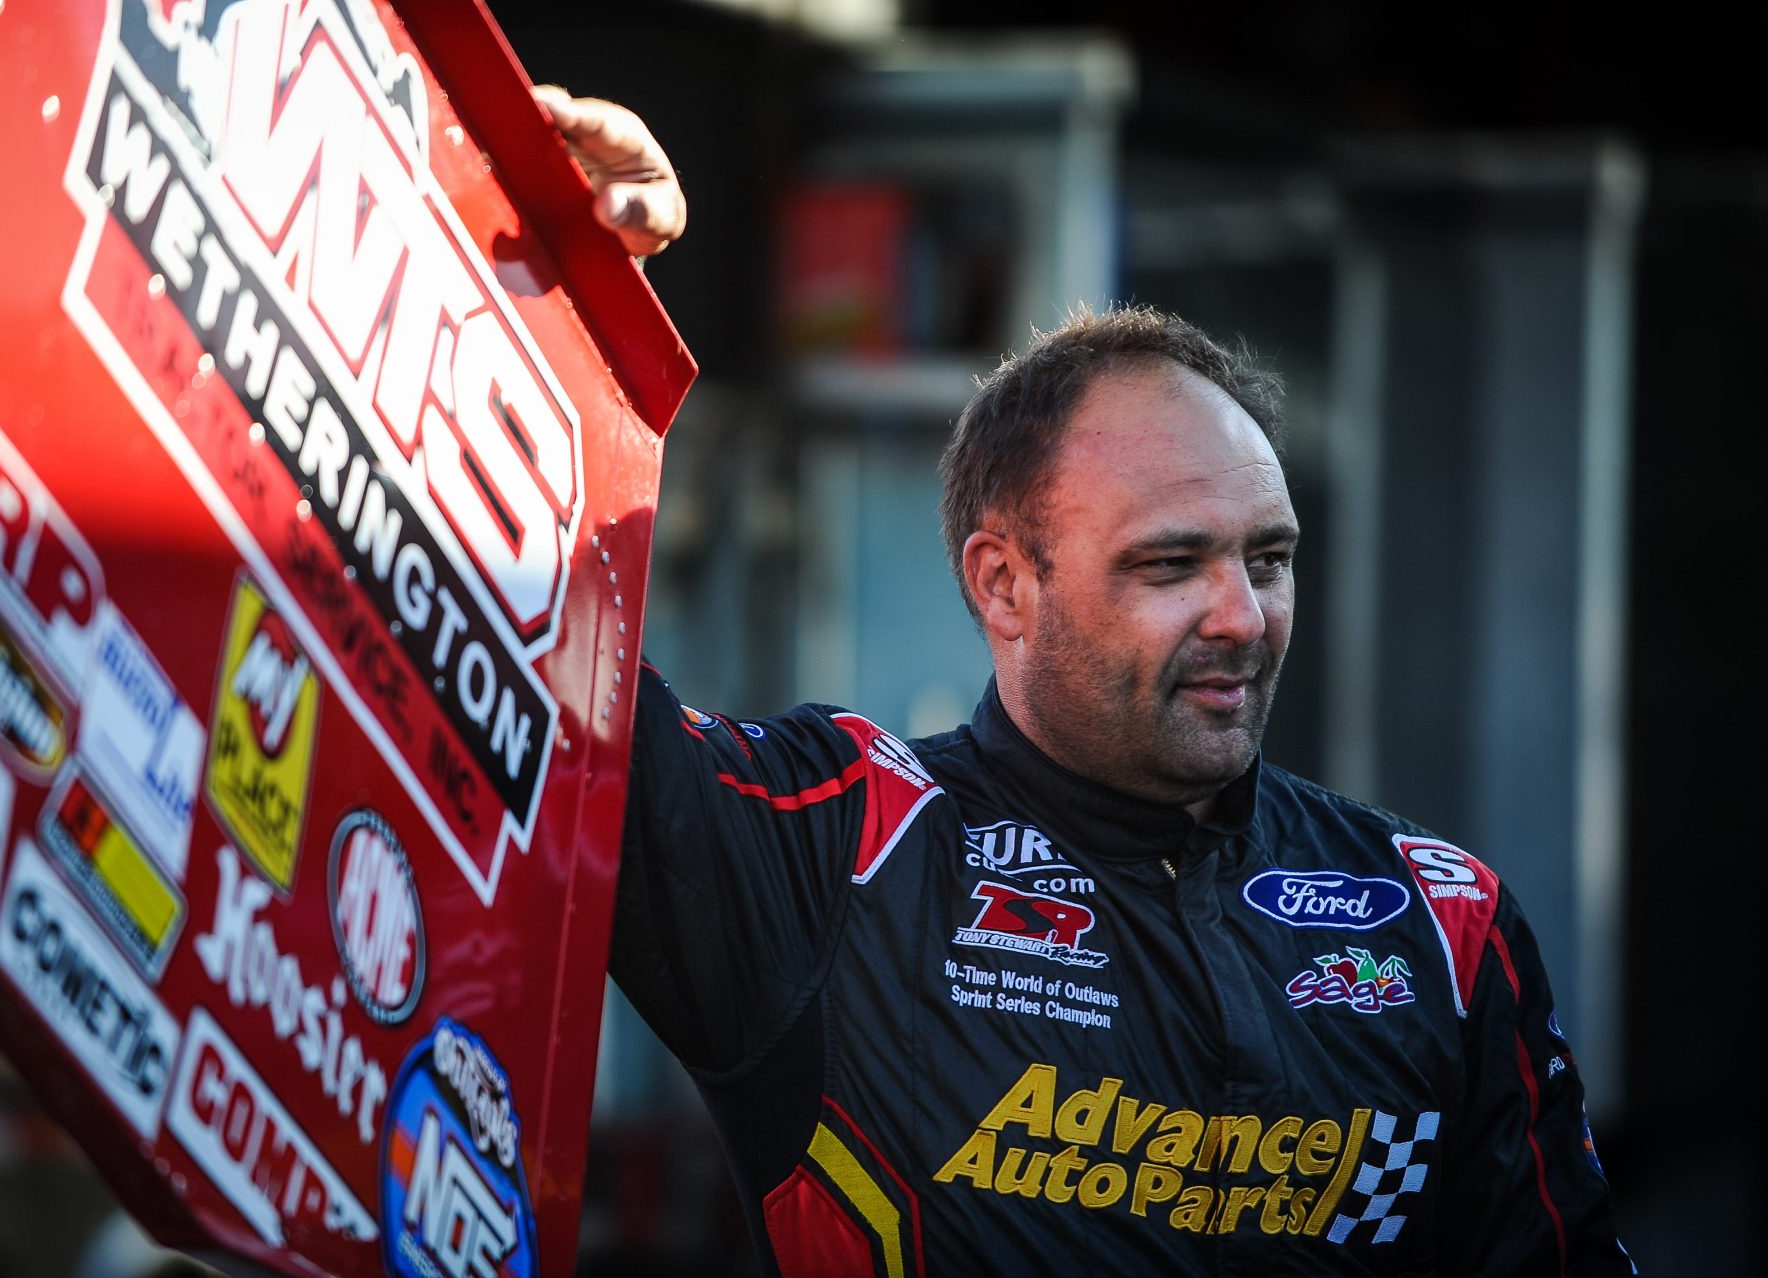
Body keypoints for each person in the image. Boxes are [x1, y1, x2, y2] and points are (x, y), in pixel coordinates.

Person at [536, 86, 1634, 1276]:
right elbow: (529, 655)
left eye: (1269, 558)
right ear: (1004, 586)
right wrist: (548, 296)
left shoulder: (1443, 920)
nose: (1242, 615)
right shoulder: (839, 847)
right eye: (1172, 565)